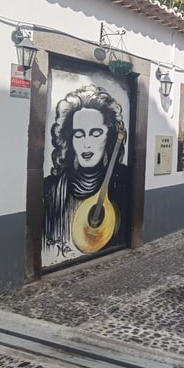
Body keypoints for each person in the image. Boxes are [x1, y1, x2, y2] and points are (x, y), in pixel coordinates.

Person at [43, 84, 130, 266]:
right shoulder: (50, 190)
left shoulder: (123, 183)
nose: (86, 144)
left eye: (96, 133)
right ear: (69, 139)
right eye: (79, 134)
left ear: (110, 137)